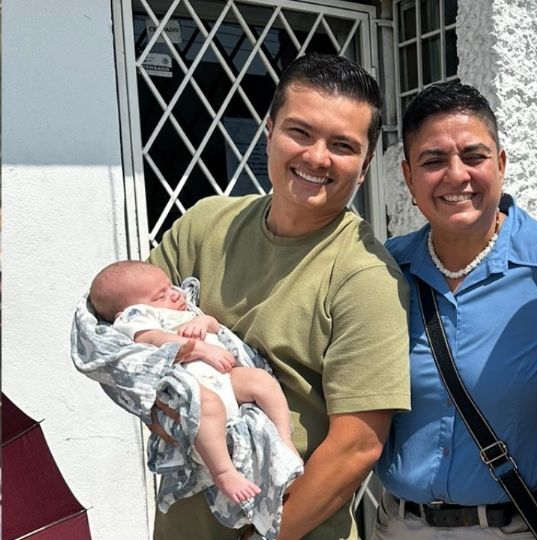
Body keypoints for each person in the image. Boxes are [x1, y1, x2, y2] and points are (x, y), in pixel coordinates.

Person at [147, 53, 411, 540]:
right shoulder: (204, 227)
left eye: (342, 145)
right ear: (268, 132)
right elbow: (123, 329)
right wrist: (156, 402)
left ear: (365, 165)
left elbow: (356, 446)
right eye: (300, 132)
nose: (317, 157)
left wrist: (267, 535)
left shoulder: (366, 277)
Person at [372, 81, 537, 539]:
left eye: (474, 156)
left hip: (521, 527)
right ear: (408, 176)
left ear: (500, 164)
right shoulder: (385, 271)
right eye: (433, 160)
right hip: (401, 526)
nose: (456, 175)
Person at [89, 260, 298, 504]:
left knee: (261, 381)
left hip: (225, 378)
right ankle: (224, 472)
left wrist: (203, 322)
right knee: (208, 406)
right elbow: (152, 339)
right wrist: (200, 349)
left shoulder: (184, 309)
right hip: (194, 386)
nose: (175, 295)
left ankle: (284, 439)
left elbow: (213, 325)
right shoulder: (137, 317)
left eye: (170, 287)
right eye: (161, 296)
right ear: (127, 311)